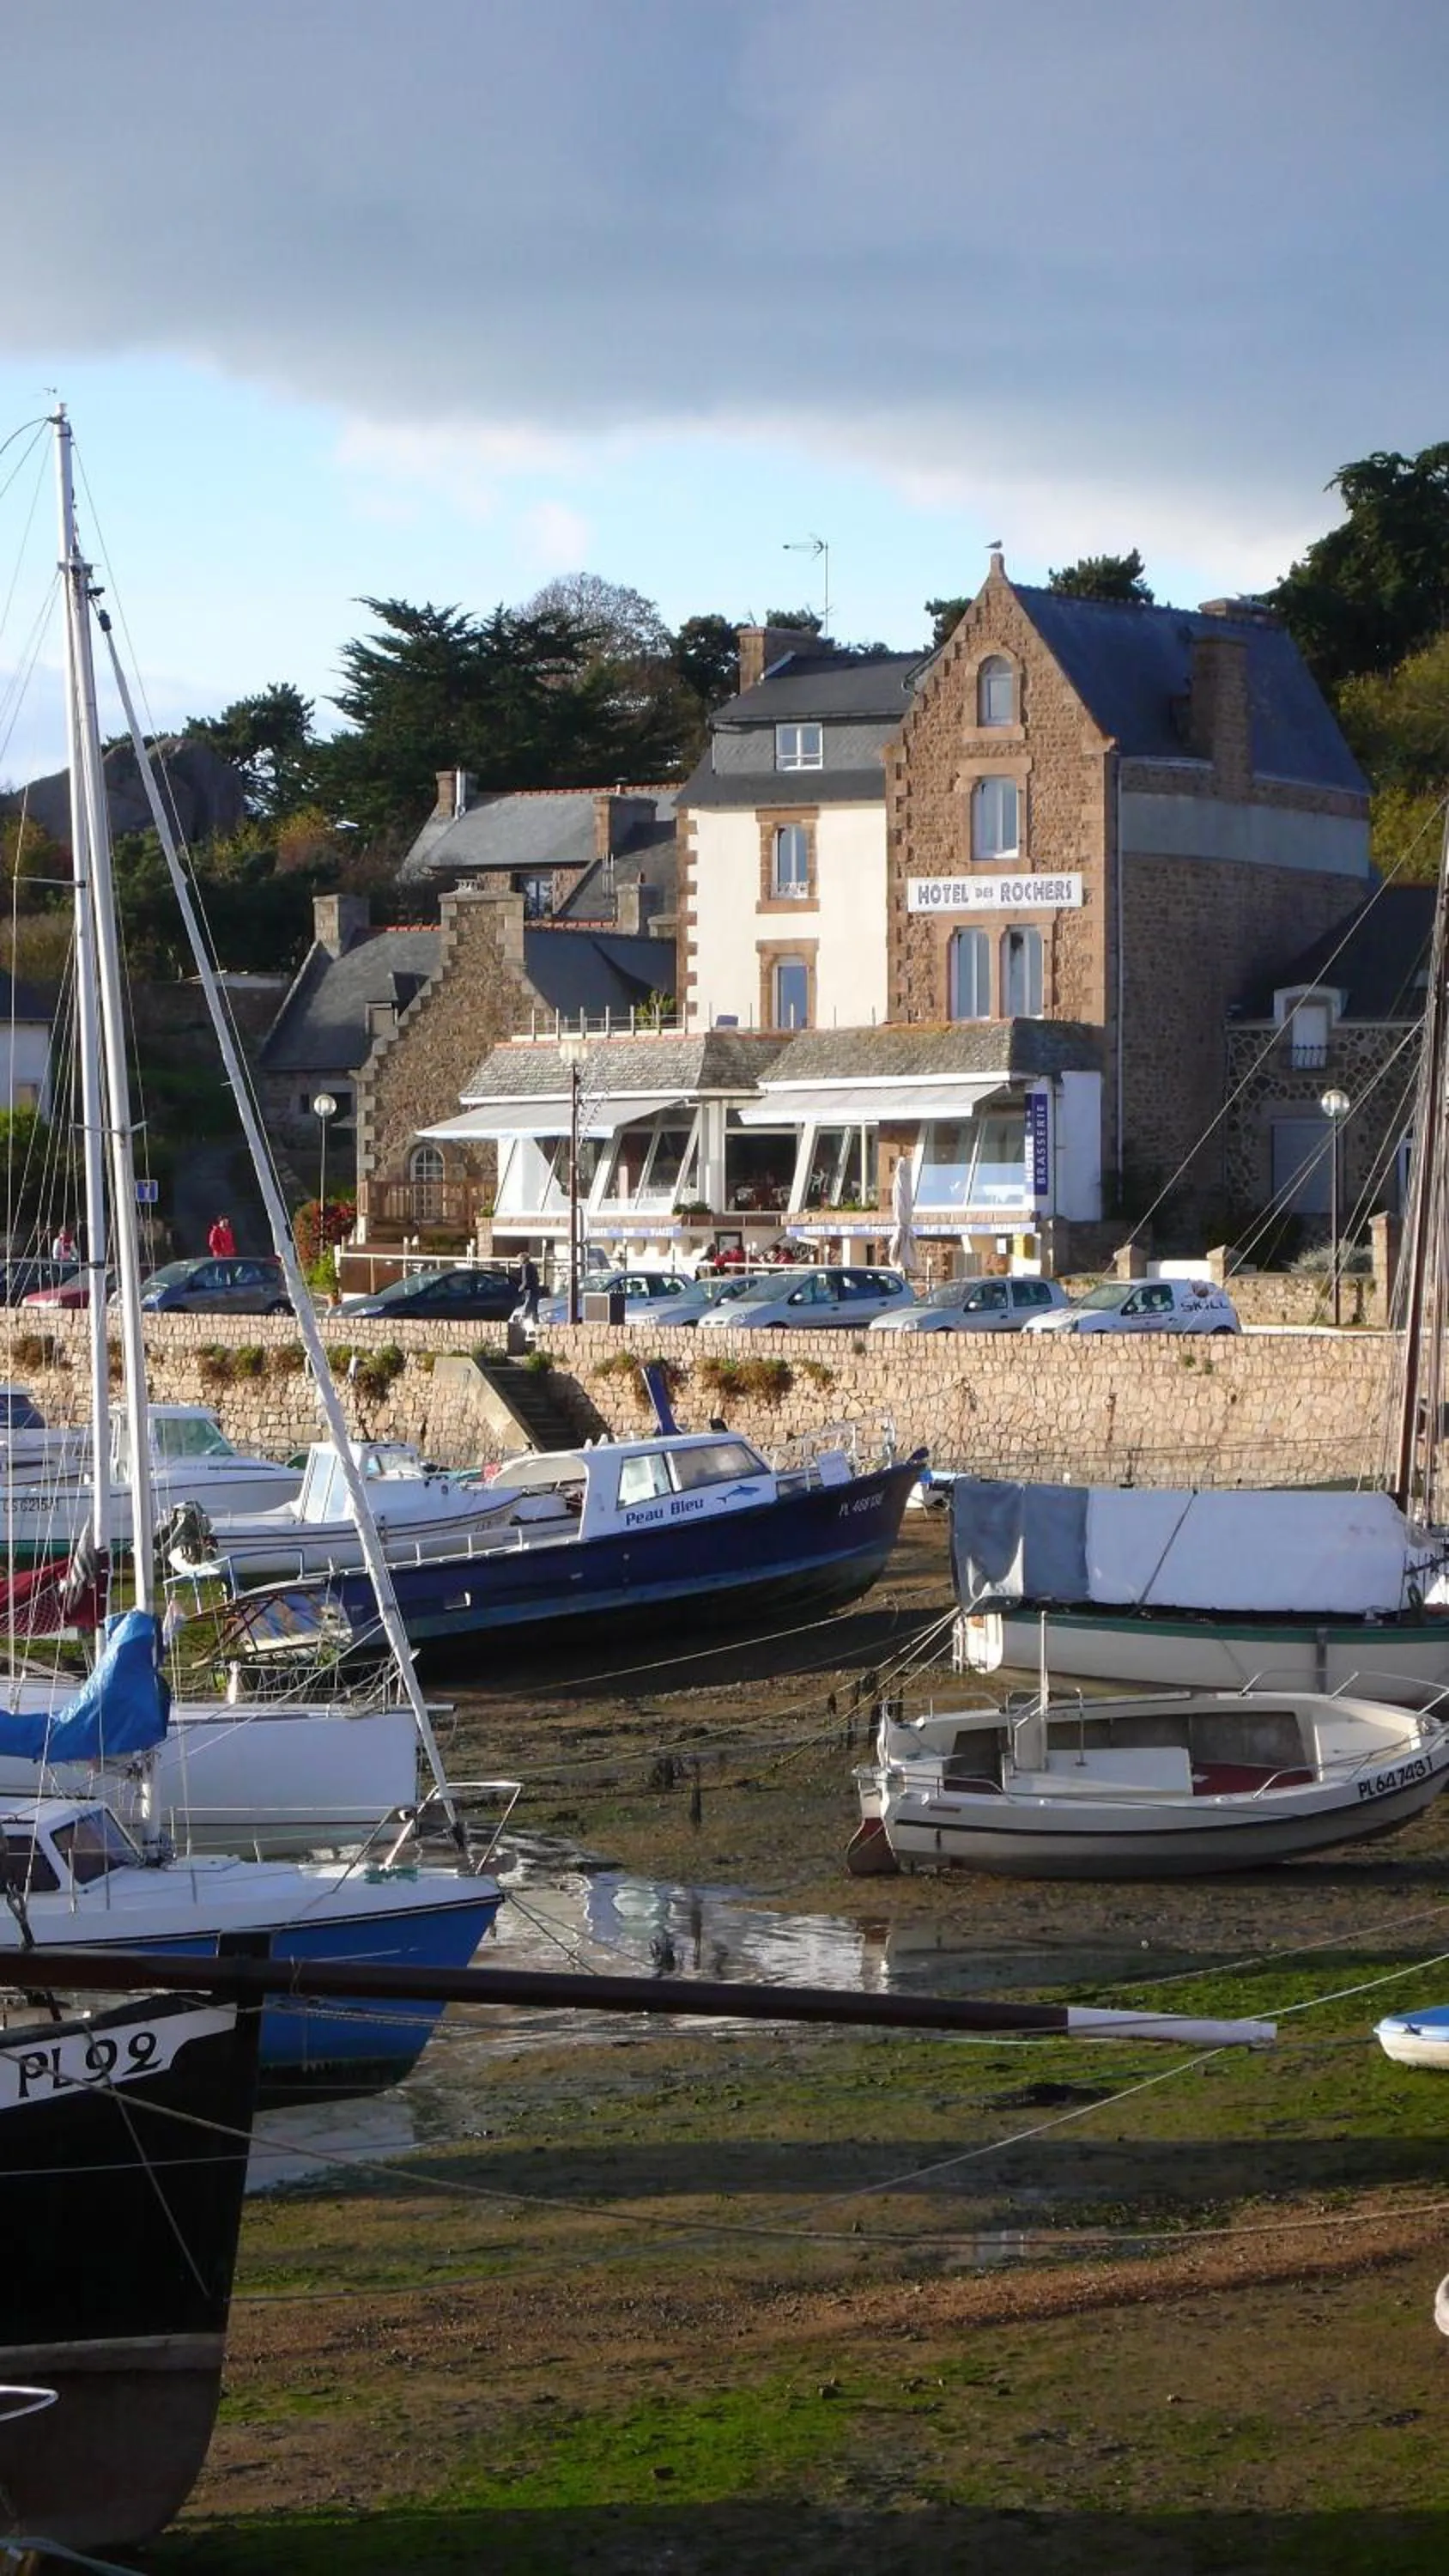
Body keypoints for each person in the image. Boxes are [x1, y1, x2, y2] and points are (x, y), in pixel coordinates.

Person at [512, 1252, 540, 1327]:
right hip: (536, 1290)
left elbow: (525, 1281)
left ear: (522, 1259)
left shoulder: (525, 1267)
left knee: (527, 1311)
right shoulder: (532, 1266)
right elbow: (537, 1279)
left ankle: (518, 1328)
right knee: (534, 1311)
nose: (518, 1261)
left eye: (519, 1260)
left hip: (530, 1291)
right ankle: (537, 1326)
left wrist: (519, 1290)